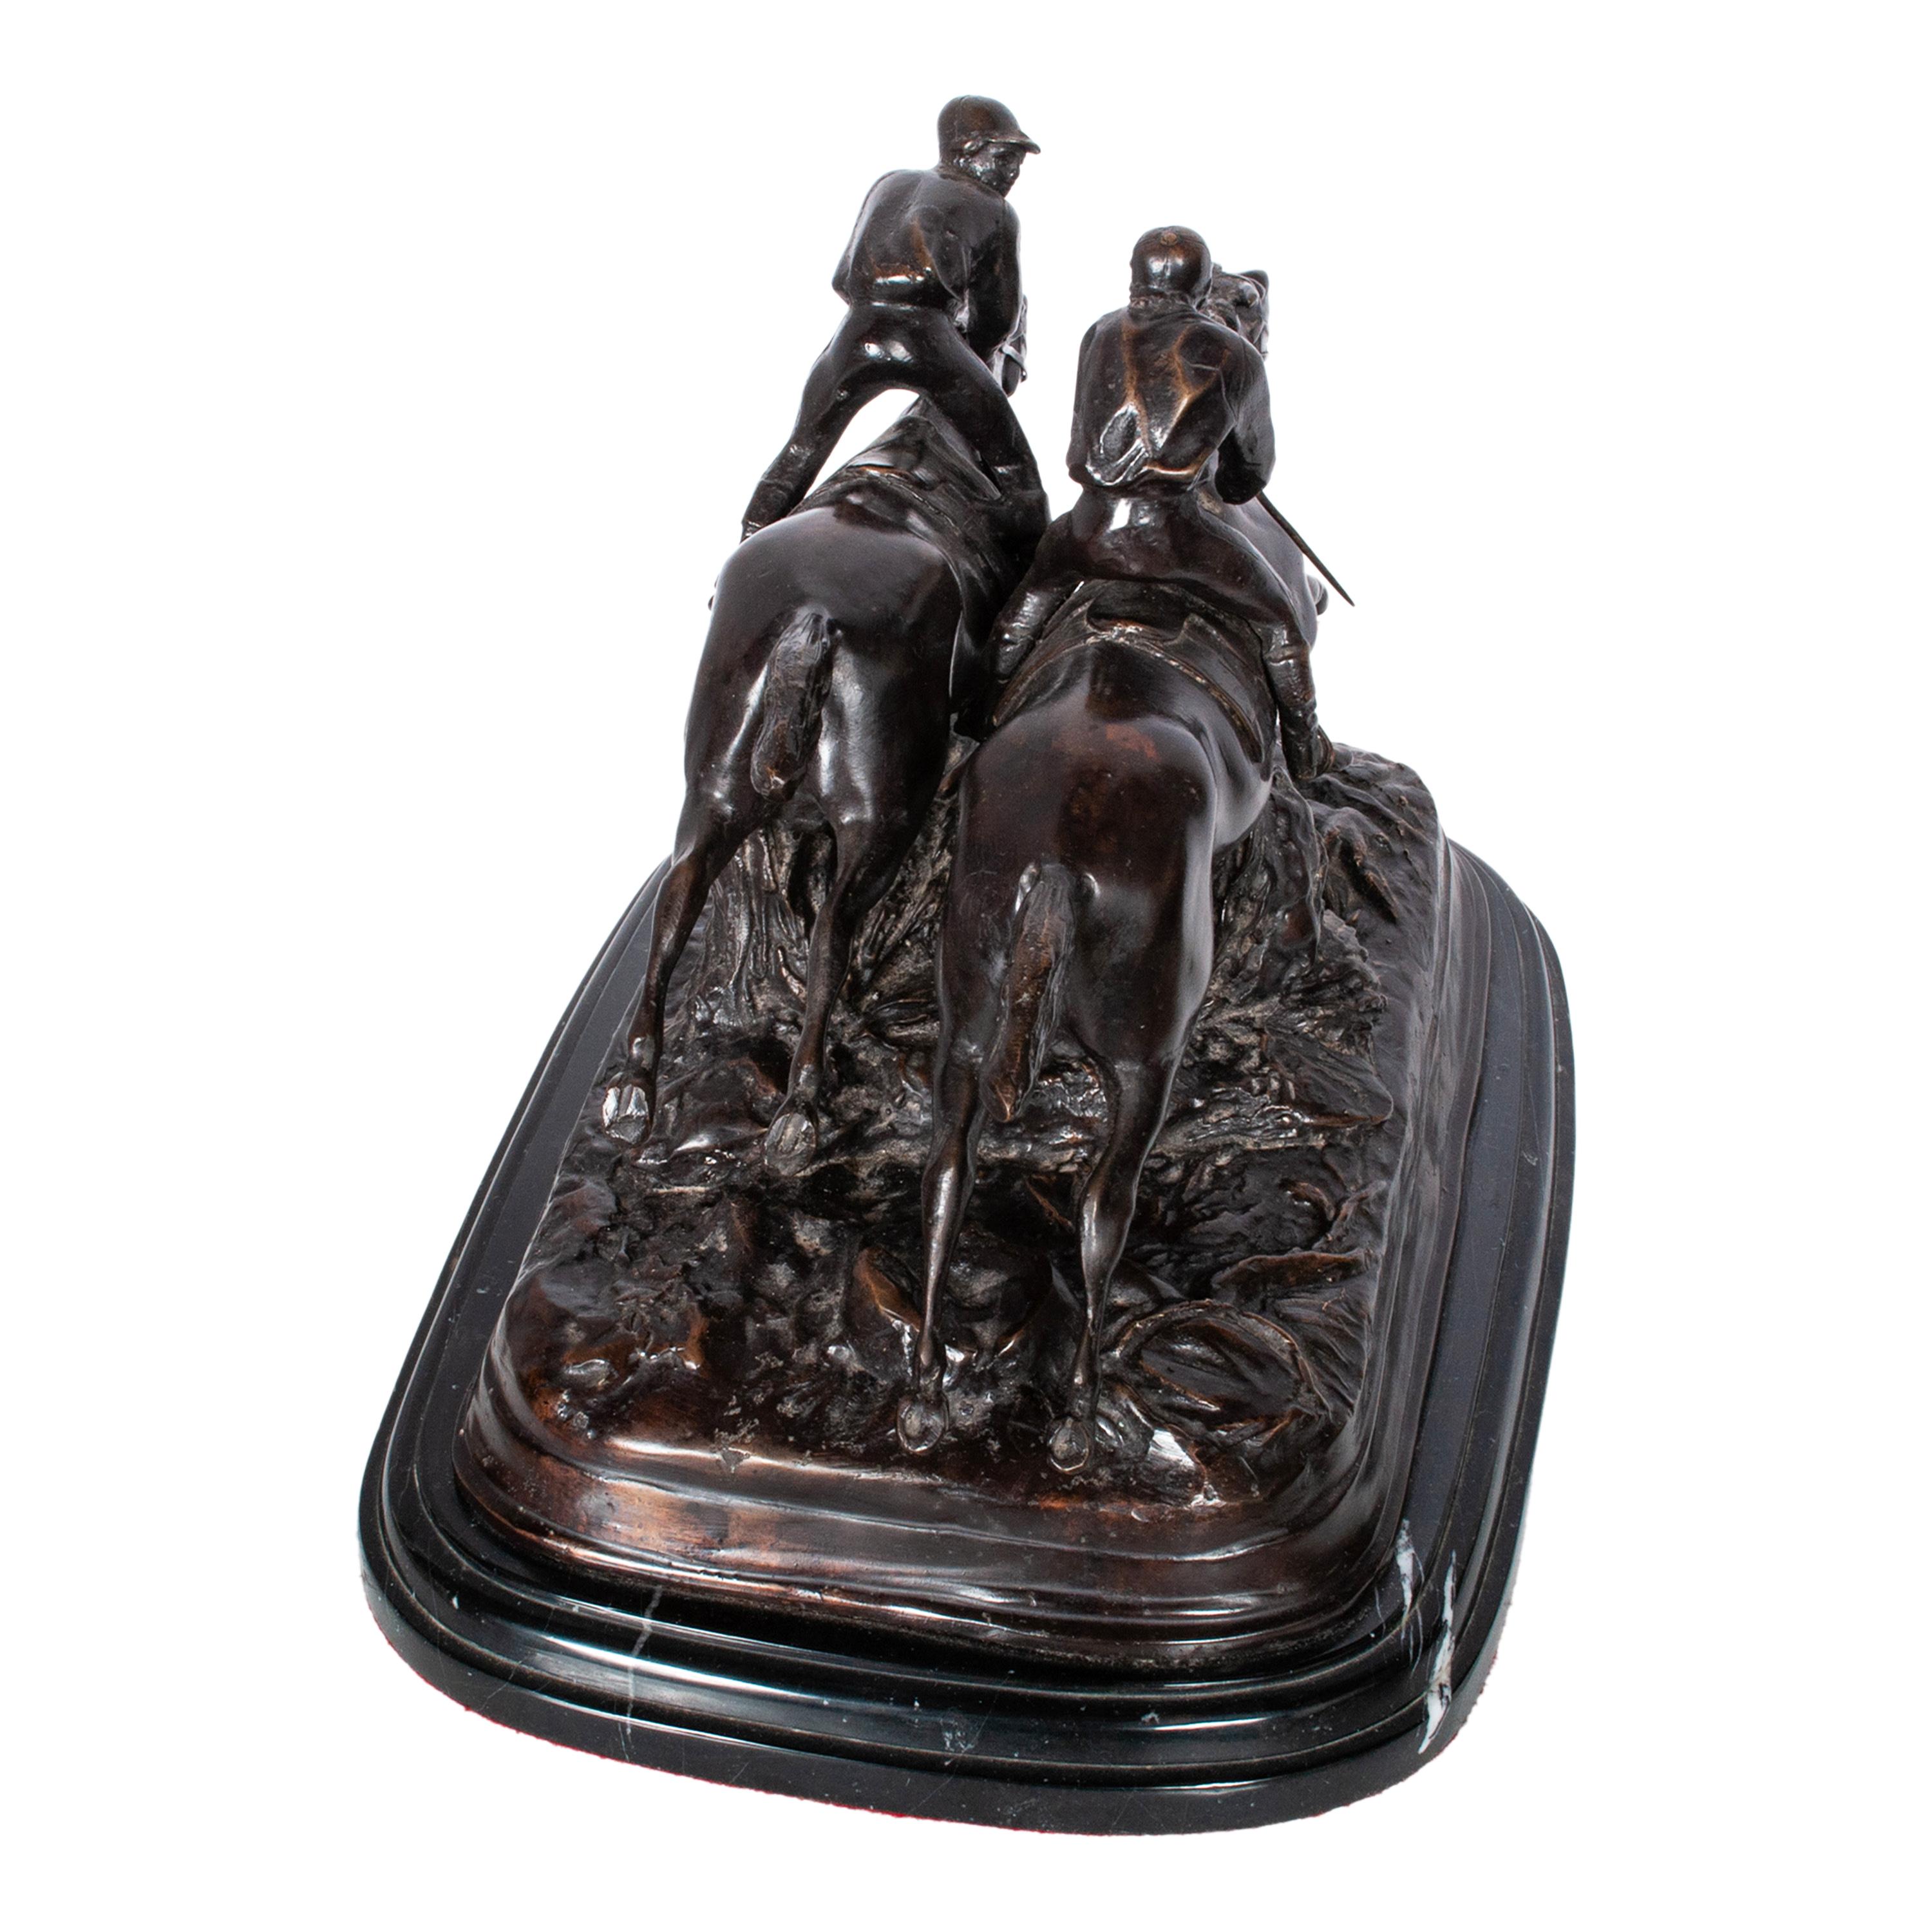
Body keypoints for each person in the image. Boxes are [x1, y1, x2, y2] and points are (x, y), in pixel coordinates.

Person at [987, 226, 1328, 778]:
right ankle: (1306, 752)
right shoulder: (1235, 356)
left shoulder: (1100, 331)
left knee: (1021, 613)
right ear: (1201, 286)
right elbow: (1250, 474)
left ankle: (979, 714)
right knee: (1282, 625)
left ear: (1135, 276)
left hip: (1088, 529)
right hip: (1175, 537)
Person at [740, 96, 1046, 540]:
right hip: (928, 338)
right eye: (1004, 157)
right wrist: (967, 356)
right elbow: (998, 320)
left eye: (1017, 161)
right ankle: (1037, 570)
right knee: (1017, 471)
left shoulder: (889, 184)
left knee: (802, 448)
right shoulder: (997, 211)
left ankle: (748, 540)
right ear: (967, 150)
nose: (1013, 172)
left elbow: (843, 277)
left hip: (856, 334)